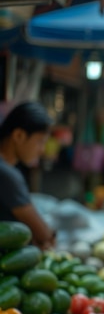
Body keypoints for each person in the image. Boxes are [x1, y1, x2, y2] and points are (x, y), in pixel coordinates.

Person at [0, 101, 56, 250]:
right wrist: (48, 237)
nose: (42, 150)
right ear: (18, 135)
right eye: (39, 142)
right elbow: (43, 233)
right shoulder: (7, 175)